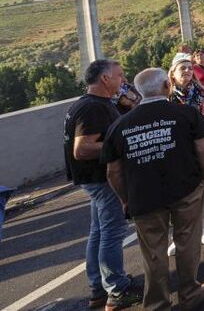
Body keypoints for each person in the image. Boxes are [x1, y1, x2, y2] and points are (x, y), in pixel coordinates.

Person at [101, 68, 204, 311]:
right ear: (167, 85)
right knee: (187, 242)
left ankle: (156, 304)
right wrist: (203, 181)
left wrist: (125, 199)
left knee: (153, 254)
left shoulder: (120, 125)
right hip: (186, 190)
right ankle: (190, 294)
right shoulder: (185, 113)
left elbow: (113, 172)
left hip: (143, 198)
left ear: (139, 91)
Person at [63, 59, 142, 310]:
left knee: (99, 232)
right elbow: (82, 148)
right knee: (112, 232)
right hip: (102, 179)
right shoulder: (93, 108)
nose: (123, 80)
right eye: (120, 76)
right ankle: (117, 290)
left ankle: (99, 287)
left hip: (94, 179)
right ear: (105, 79)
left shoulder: (91, 104)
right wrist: (123, 145)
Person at [168, 54, 204, 248]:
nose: (188, 71)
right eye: (182, 68)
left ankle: (202, 226)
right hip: (177, 150)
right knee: (178, 192)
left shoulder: (199, 92)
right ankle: (178, 236)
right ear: (172, 73)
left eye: (190, 68)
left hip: (200, 145)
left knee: (203, 186)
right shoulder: (167, 97)